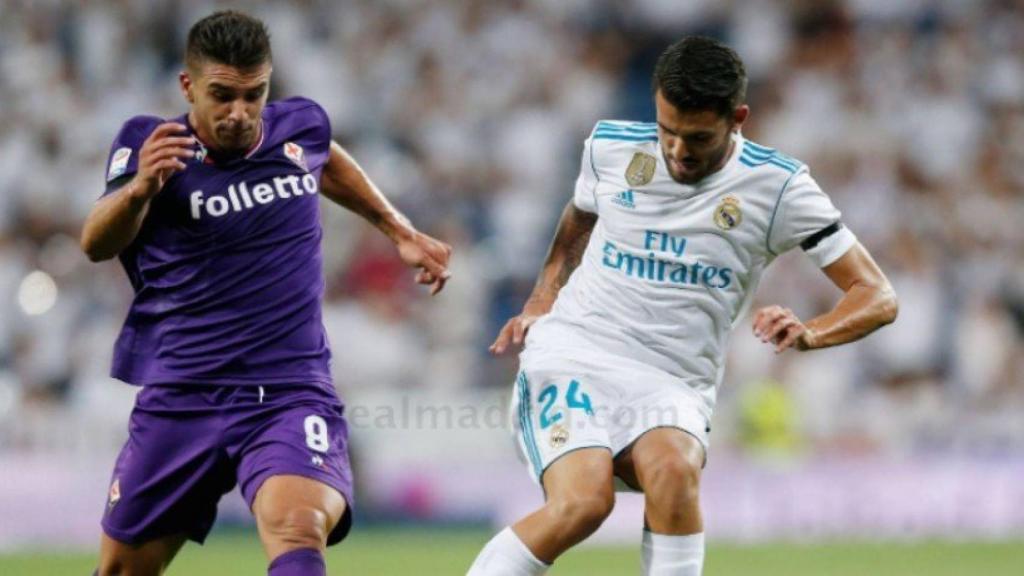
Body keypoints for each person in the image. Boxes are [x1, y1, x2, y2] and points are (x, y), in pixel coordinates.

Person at [468, 36, 897, 576]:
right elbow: (579, 217)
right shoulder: (610, 148)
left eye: (697, 138)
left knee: (674, 471)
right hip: (576, 350)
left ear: (737, 118)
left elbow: (877, 296)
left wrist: (813, 332)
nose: (676, 151)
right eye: (667, 131)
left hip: (674, 380)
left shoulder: (779, 187)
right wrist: (541, 298)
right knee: (584, 503)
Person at [80, 10, 452, 576]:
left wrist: (398, 229)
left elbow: (326, 160)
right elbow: (95, 243)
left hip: (287, 391)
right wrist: (139, 191)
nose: (240, 113)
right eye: (222, 95)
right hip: (184, 391)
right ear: (188, 86)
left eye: (254, 95)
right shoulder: (150, 144)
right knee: (122, 571)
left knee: (297, 528)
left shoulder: (298, 128)